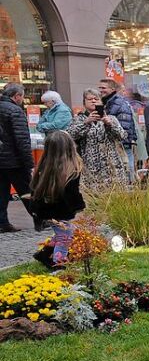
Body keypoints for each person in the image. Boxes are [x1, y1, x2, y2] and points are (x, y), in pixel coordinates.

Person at [29, 130, 85, 266]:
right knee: (65, 236)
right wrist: (79, 206)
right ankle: (58, 263)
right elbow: (72, 195)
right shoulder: (71, 170)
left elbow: (35, 190)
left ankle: (44, 254)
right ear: (70, 147)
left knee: (61, 232)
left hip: (46, 210)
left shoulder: (45, 167)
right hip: (60, 211)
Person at [68, 88, 131, 190]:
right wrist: (86, 122)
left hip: (112, 167)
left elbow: (122, 136)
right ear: (84, 103)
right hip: (90, 167)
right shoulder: (78, 119)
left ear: (101, 102)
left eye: (96, 99)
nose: (93, 101)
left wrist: (110, 124)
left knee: (115, 196)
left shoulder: (111, 118)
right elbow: (70, 135)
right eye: (89, 99)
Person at [0, 82, 35, 232]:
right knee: (27, 190)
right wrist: (29, 163)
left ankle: (2, 222)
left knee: (1, 193)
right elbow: (22, 140)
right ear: (17, 96)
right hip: (14, 161)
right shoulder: (15, 111)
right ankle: (40, 218)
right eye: (22, 96)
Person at [97, 78, 137, 156]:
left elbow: (124, 130)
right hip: (112, 147)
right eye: (100, 88)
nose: (101, 90)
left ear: (112, 89)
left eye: (104, 88)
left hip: (121, 148)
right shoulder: (106, 102)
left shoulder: (120, 104)